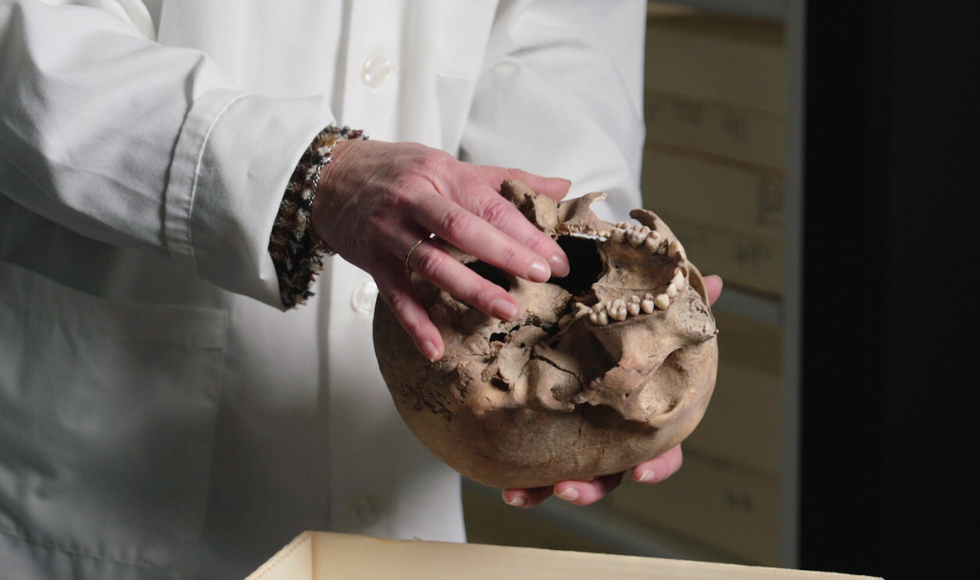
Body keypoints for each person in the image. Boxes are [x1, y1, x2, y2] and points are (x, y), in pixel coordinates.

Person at [0, 1, 721, 579]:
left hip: (402, 494)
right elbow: (27, 40)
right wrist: (301, 174)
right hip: (108, 473)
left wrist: (597, 303)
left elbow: (563, 52)